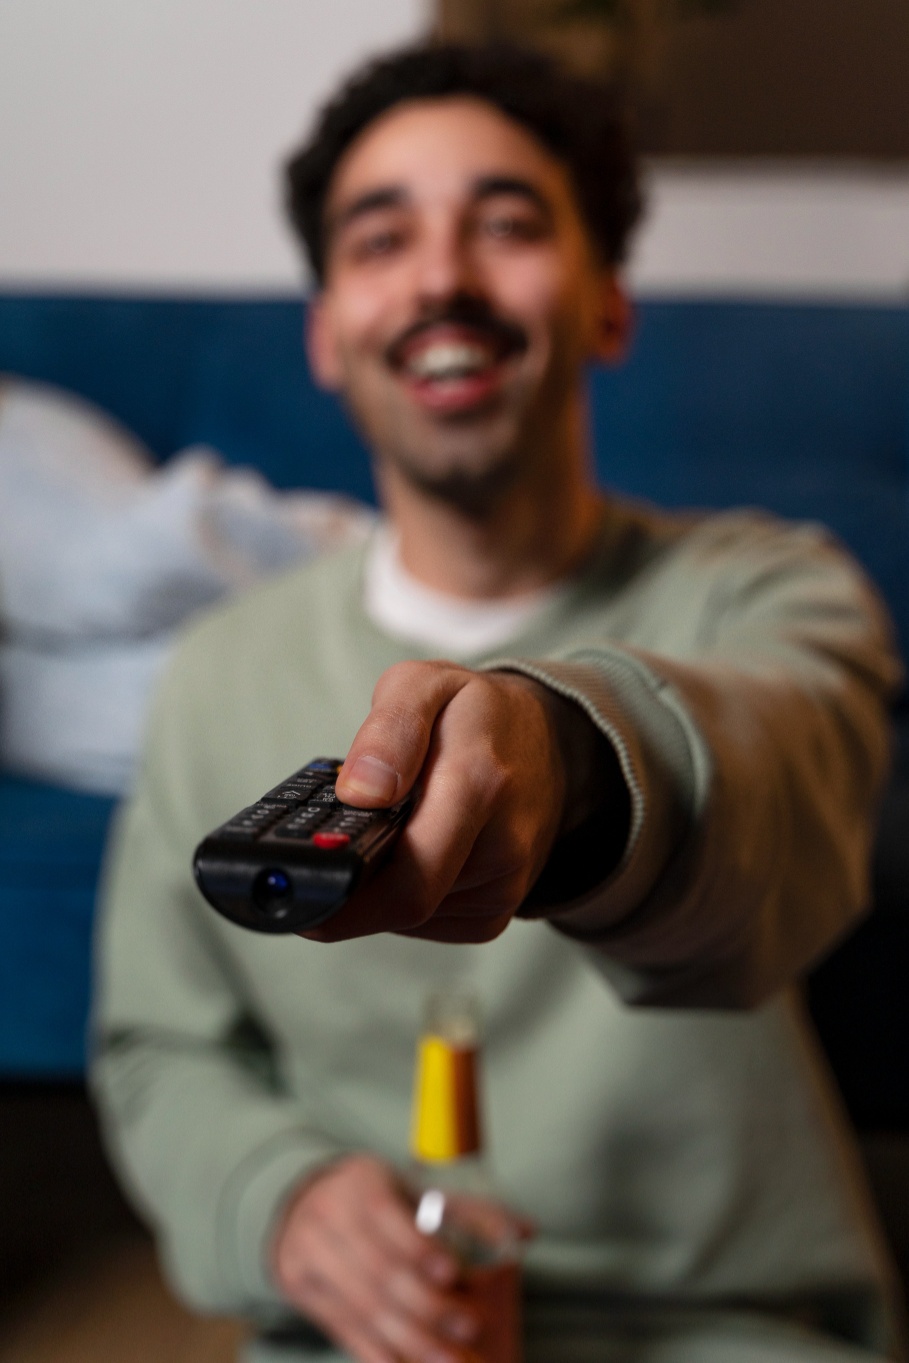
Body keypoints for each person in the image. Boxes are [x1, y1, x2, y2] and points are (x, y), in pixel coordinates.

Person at [91, 42, 905, 1363]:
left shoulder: (774, 589)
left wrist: (572, 765)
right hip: (362, 1337)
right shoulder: (216, 671)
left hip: (721, 1324)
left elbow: (784, 796)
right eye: (381, 239)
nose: (441, 280)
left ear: (606, 305)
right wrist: (283, 1201)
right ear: (325, 334)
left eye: (509, 225)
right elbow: (155, 1045)